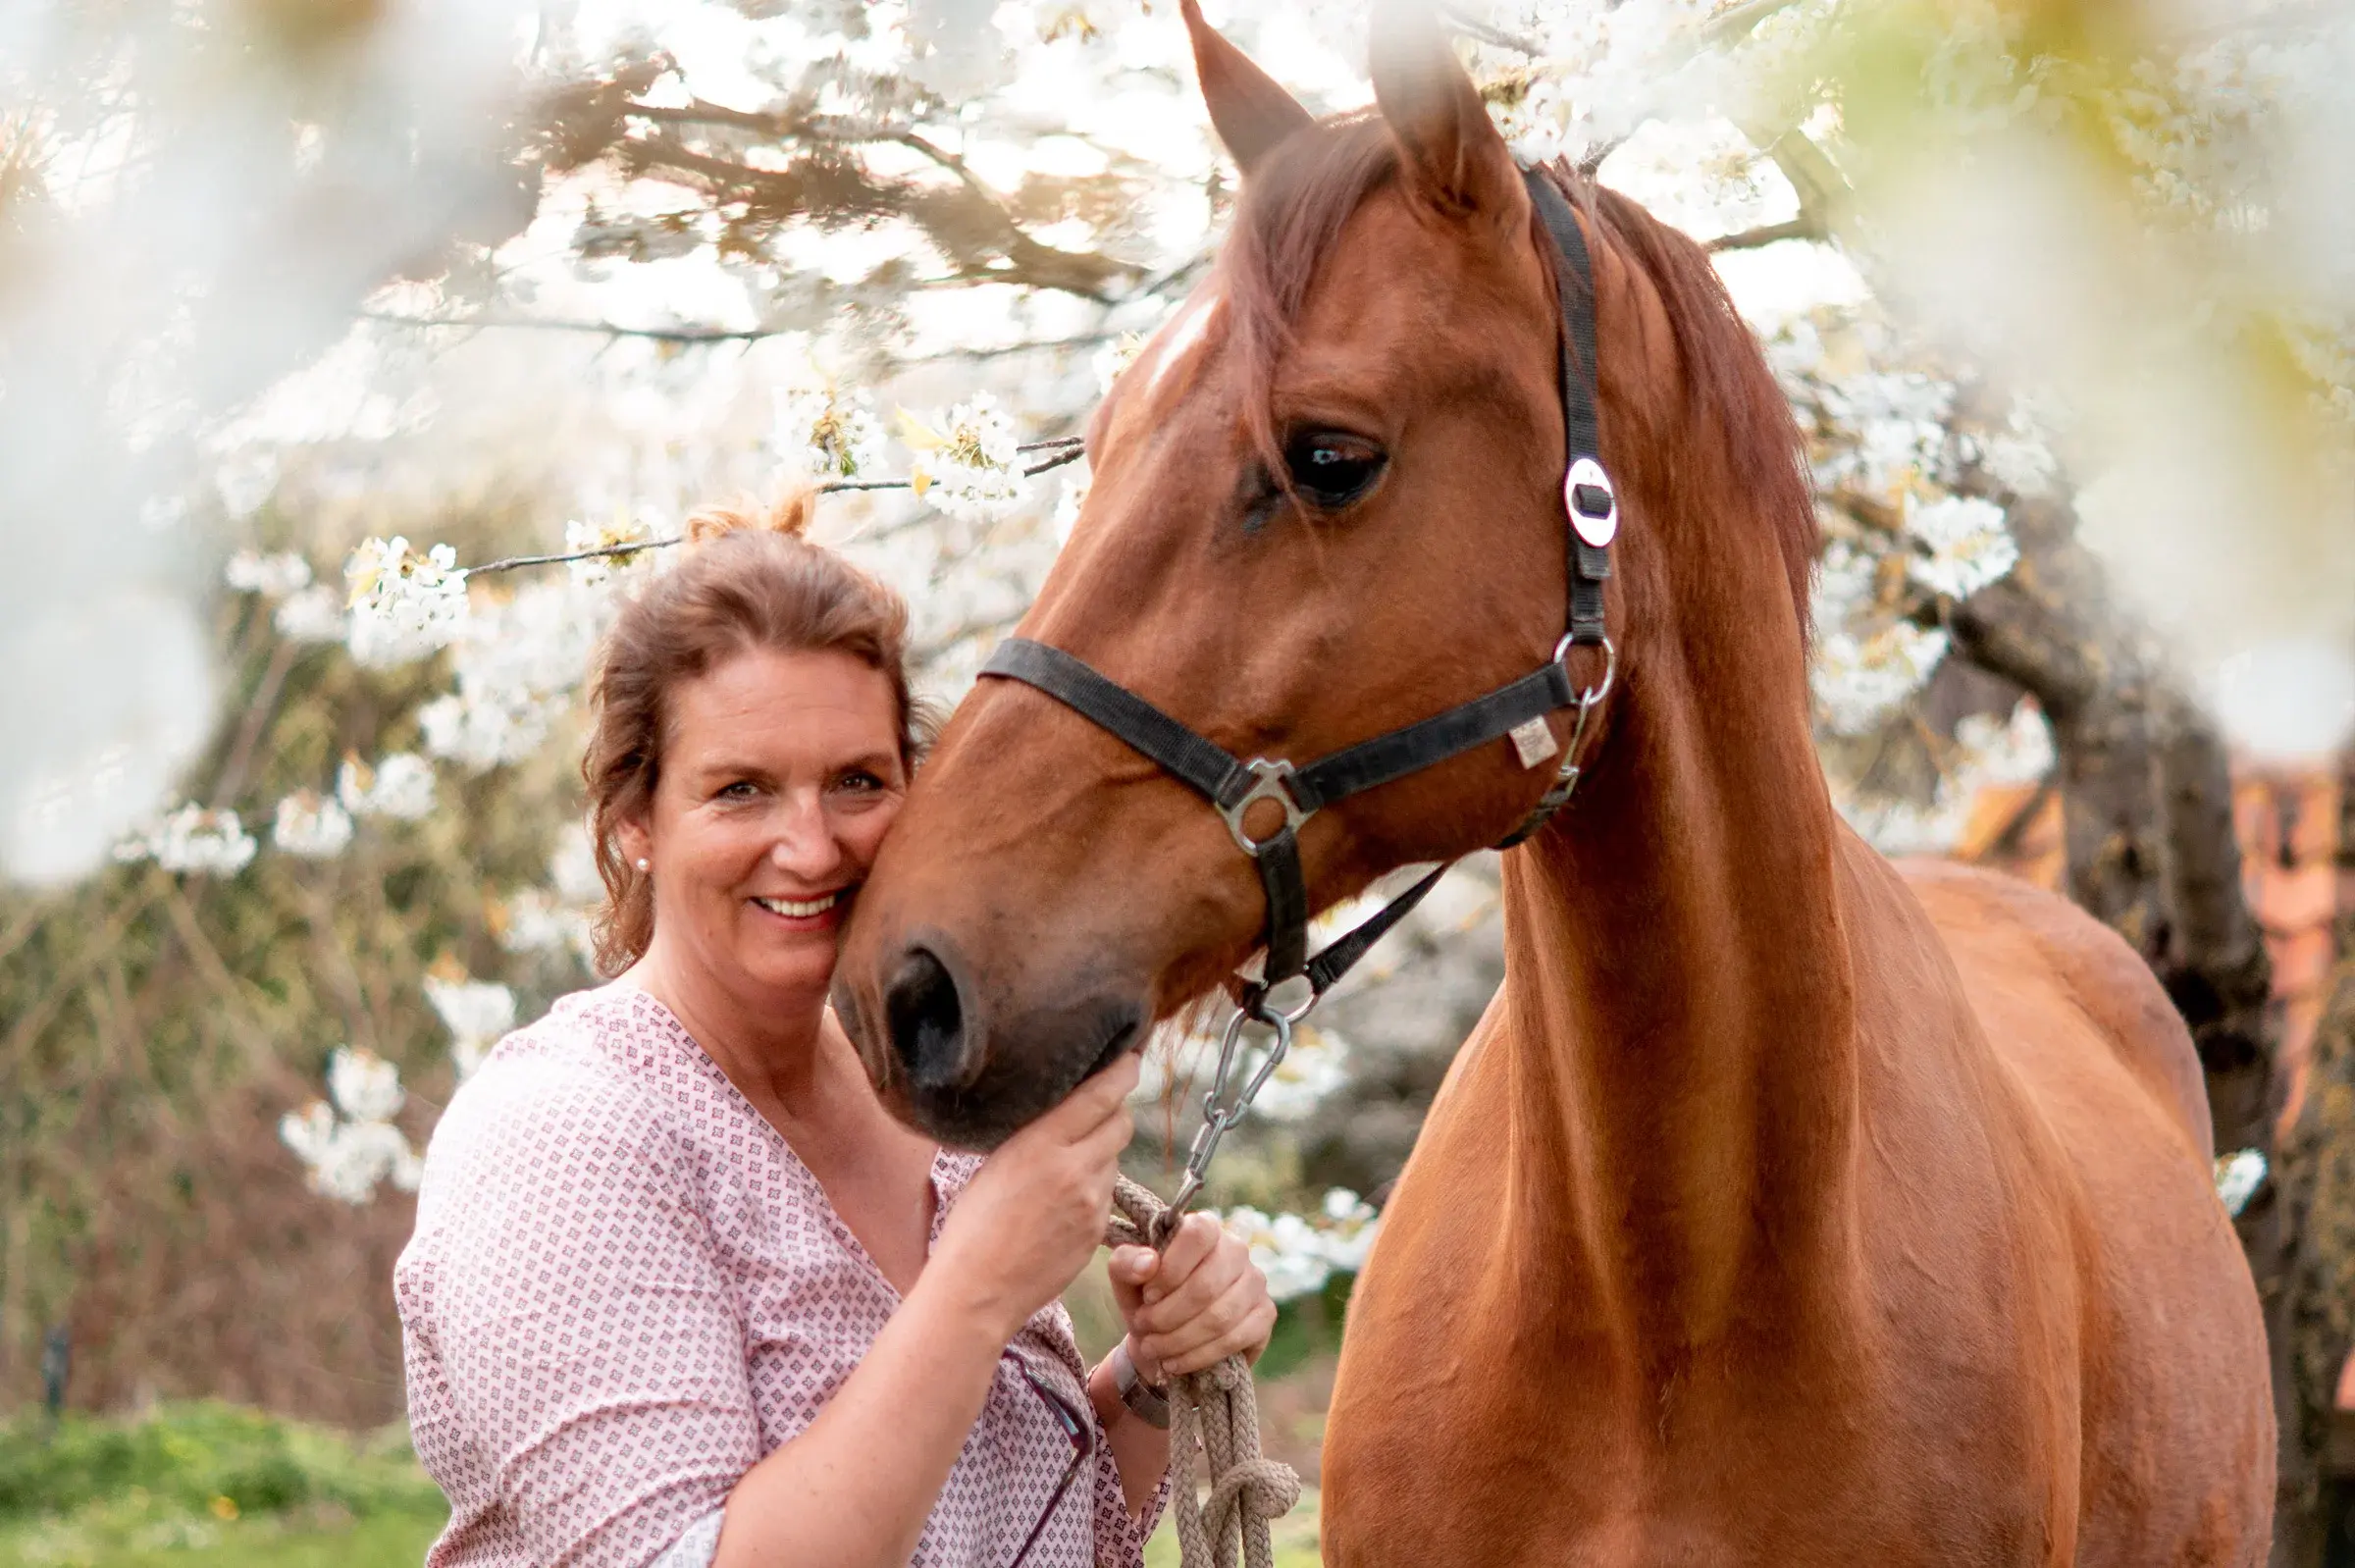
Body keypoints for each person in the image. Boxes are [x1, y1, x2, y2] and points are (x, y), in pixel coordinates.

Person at [394, 495, 1279, 1568]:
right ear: (636, 822)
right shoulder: (561, 1135)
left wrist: (1147, 1375)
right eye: (741, 790)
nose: (811, 847)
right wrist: (977, 1287)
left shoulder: (918, 1089)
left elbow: (1012, 1528)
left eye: (859, 780)